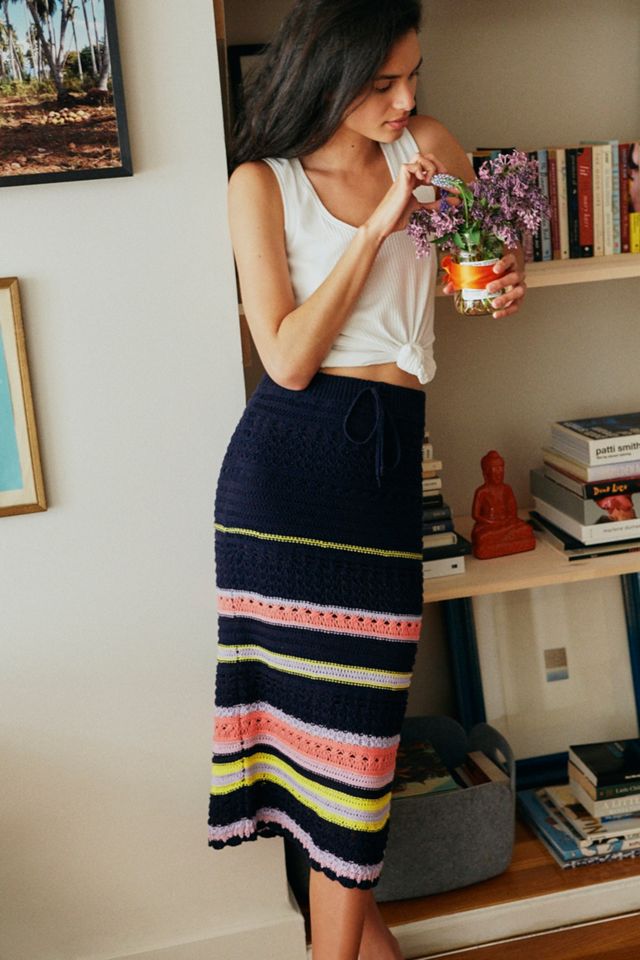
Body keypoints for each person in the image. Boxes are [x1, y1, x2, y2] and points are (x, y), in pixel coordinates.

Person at [209, 3, 527, 959]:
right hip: (287, 474)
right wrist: (381, 223)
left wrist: (502, 278)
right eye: (384, 82)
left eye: (413, 75)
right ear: (328, 73)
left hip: (384, 462)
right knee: (328, 762)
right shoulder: (261, 184)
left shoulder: (429, 145)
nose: (406, 98)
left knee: (354, 756)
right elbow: (287, 358)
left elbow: (472, 270)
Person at [471, 450, 535, 559]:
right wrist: (491, 522)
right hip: (489, 526)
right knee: (483, 538)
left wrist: (507, 520)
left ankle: (505, 540)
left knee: (526, 529)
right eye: (495, 470)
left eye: (501, 469)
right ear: (486, 472)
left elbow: (513, 511)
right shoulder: (482, 492)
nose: (499, 473)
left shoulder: (506, 489)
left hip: (506, 524)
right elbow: (475, 515)